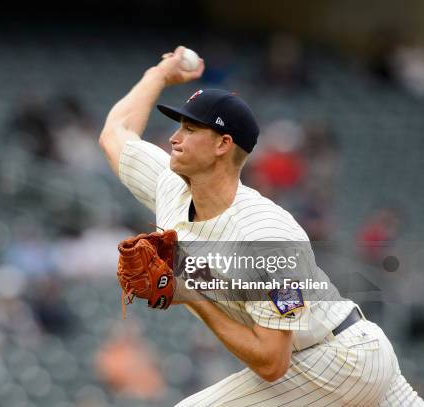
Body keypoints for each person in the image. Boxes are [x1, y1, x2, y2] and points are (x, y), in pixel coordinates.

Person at [99, 46, 423, 406]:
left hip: (336, 358)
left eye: (190, 129)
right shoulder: (170, 187)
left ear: (223, 144)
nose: (175, 138)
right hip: (341, 356)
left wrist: (187, 292)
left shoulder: (268, 237)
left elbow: (272, 362)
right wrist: (158, 75)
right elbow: (117, 133)